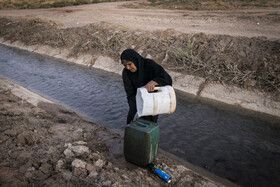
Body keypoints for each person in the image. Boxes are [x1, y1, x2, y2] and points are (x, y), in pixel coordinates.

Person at [121, 49, 172, 125]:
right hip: (137, 101)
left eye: (130, 64)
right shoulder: (126, 73)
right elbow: (130, 93)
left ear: (135, 61)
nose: (128, 68)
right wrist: (135, 108)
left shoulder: (148, 64)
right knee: (131, 123)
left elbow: (167, 79)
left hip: (153, 101)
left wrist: (153, 82)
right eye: (125, 65)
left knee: (150, 125)